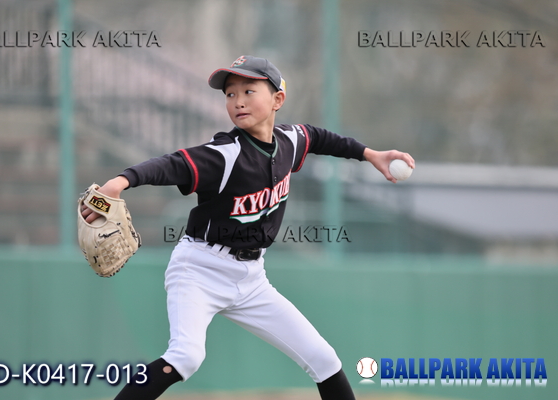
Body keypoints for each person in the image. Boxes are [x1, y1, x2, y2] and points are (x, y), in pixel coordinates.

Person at [81, 55, 415, 400]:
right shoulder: (225, 154)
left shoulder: (290, 141)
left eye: (248, 91)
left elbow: (319, 138)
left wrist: (369, 154)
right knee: (186, 357)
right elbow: (171, 165)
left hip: (252, 279)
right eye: (230, 94)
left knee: (323, 358)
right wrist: (120, 182)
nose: (238, 101)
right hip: (199, 270)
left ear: (277, 99)